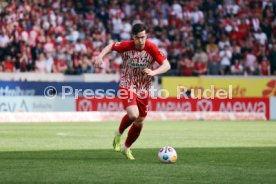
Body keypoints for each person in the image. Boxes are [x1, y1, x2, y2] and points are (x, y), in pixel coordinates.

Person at [94, 23, 171, 160]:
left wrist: (154, 72)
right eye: (137, 38)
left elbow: (167, 65)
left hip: (143, 88)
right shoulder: (125, 45)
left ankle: (126, 147)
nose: (140, 41)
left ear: (146, 36)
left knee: (140, 120)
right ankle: (118, 133)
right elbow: (111, 46)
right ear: (133, 37)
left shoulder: (152, 47)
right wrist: (100, 56)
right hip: (127, 84)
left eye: (143, 37)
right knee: (133, 115)